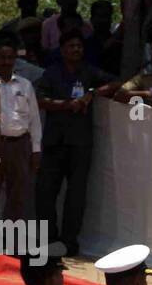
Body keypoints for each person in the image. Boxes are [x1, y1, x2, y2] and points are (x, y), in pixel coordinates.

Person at [34, 29, 118, 256]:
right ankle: (48, 239)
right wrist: (65, 105)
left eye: (79, 46)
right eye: (71, 46)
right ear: (62, 50)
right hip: (54, 142)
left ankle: (69, 242)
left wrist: (91, 94)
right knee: (46, 193)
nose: (76, 50)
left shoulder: (89, 72)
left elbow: (116, 83)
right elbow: (39, 100)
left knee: (76, 195)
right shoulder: (51, 73)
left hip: (81, 143)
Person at [0, 33, 42, 224]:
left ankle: (11, 243)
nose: (6, 62)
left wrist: (36, 150)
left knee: (17, 195)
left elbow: (34, 120)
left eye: (10, 57)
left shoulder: (25, 85)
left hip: (20, 145)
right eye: (2, 57)